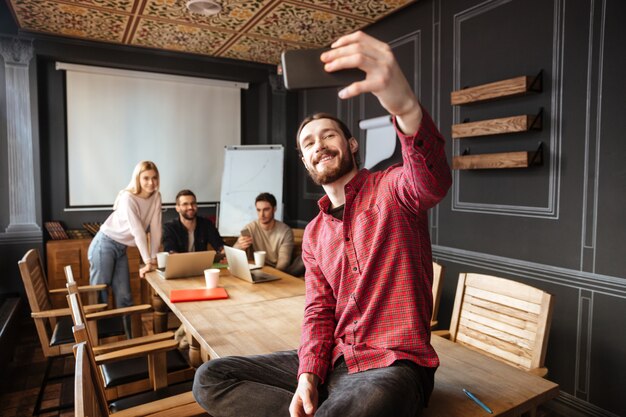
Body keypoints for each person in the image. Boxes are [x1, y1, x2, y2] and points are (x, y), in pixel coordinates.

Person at [193, 31, 452, 417]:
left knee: (373, 401)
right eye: (309, 144)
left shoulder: (393, 189)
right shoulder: (314, 233)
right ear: (306, 161)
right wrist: (308, 375)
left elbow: (431, 180)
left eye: (328, 135)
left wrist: (407, 108)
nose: (319, 146)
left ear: (351, 145)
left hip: (392, 364)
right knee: (211, 378)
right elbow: (319, 311)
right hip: (335, 357)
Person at [88, 160, 162, 338]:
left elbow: (156, 228)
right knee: (100, 293)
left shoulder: (156, 197)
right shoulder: (128, 197)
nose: (151, 183)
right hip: (104, 244)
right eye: (146, 178)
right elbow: (137, 231)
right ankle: (97, 340)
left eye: (154, 178)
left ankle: (131, 340)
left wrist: (152, 259)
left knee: (125, 297)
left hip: (121, 248)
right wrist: (147, 260)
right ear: (137, 178)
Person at [234, 192, 294, 272]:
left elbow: (284, 261)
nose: (261, 214)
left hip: (277, 271)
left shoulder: (285, 231)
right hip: (255, 270)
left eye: (266, 209)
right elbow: (235, 253)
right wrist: (240, 245)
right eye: (258, 210)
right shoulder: (250, 228)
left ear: (274, 209)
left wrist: (275, 275)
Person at [162, 189, 225, 260]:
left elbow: (220, 246)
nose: (190, 207)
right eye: (185, 204)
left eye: (193, 203)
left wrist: (230, 249)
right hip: (180, 266)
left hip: (202, 266)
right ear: (177, 208)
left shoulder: (206, 224)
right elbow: (170, 253)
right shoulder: (169, 227)